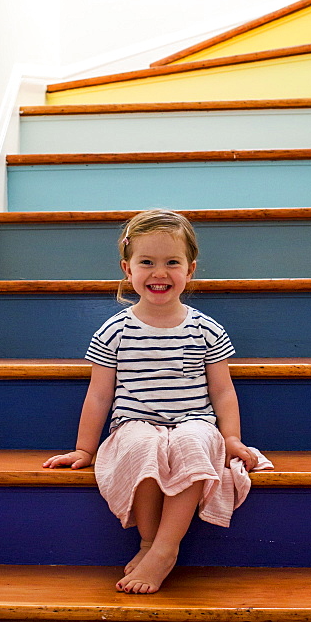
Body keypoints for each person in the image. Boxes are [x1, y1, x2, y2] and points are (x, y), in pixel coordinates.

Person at [43, 209, 266, 595]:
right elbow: (98, 395)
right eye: (146, 262)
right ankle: (148, 540)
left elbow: (223, 391)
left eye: (171, 262)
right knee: (142, 447)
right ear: (127, 269)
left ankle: (166, 547)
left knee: (194, 444)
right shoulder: (115, 329)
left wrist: (230, 438)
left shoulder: (206, 329)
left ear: (190, 270)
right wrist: (84, 447)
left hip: (194, 420)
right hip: (135, 422)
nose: (159, 273)